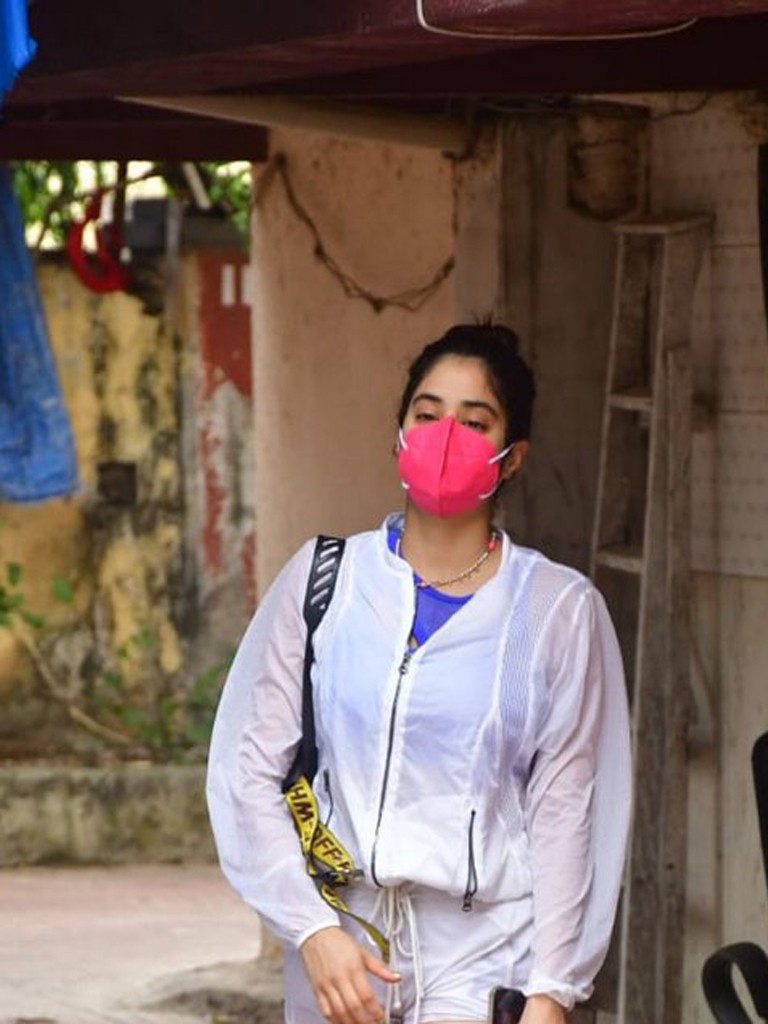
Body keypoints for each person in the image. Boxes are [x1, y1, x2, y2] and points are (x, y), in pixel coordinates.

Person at [206, 323, 632, 1024]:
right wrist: (310, 929)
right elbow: (246, 770)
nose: (445, 436)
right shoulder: (325, 581)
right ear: (399, 435)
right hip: (343, 948)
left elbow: (566, 808)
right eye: (427, 415)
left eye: (475, 422)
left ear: (513, 457)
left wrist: (552, 990)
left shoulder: (557, 610)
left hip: (485, 953)